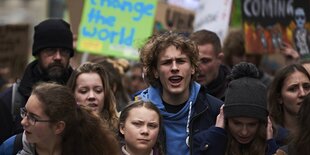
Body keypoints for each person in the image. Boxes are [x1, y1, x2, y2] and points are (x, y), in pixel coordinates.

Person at [136, 31, 223, 155]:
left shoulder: (214, 110)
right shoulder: (137, 110)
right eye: (166, 62)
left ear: (193, 68)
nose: (174, 68)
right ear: (155, 71)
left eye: (181, 61)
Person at [0, 18, 75, 144]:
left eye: (64, 51)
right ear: (37, 54)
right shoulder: (11, 100)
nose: (58, 57)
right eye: (50, 50)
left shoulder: (81, 94)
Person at [0, 82, 120, 155]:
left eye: (33, 118)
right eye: (25, 113)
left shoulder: (89, 148)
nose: (23, 122)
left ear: (58, 127)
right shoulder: (11, 148)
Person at [193, 62, 278, 155]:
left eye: (252, 124)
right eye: (237, 123)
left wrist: (270, 146)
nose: (244, 132)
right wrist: (217, 136)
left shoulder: (277, 141)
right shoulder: (203, 141)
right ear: (225, 119)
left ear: (263, 123)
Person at [66, 62, 119, 132]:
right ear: (72, 94)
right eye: (83, 91)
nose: (92, 96)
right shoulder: (61, 130)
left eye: (98, 90)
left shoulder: (118, 132)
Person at [268, 63, 310, 146]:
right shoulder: (269, 135)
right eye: (293, 89)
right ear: (279, 97)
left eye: (307, 87)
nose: (302, 94)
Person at [189, 29, 230, 101]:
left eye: (205, 61)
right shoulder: (178, 92)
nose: (198, 68)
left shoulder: (235, 93)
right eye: (193, 61)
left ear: (220, 59)